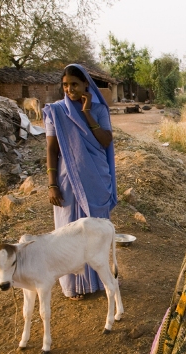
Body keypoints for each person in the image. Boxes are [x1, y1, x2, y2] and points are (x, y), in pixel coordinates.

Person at [42, 64, 117, 300]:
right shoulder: (55, 111)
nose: (69, 89)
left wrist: (86, 113)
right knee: (67, 232)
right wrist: (52, 183)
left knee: (95, 231)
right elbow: (52, 149)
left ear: (86, 84)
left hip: (95, 178)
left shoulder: (98, 109)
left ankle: (99, 282)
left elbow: (105, 141)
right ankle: (74, 286)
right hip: (67, 179)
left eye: (74, 84)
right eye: (65, 85)